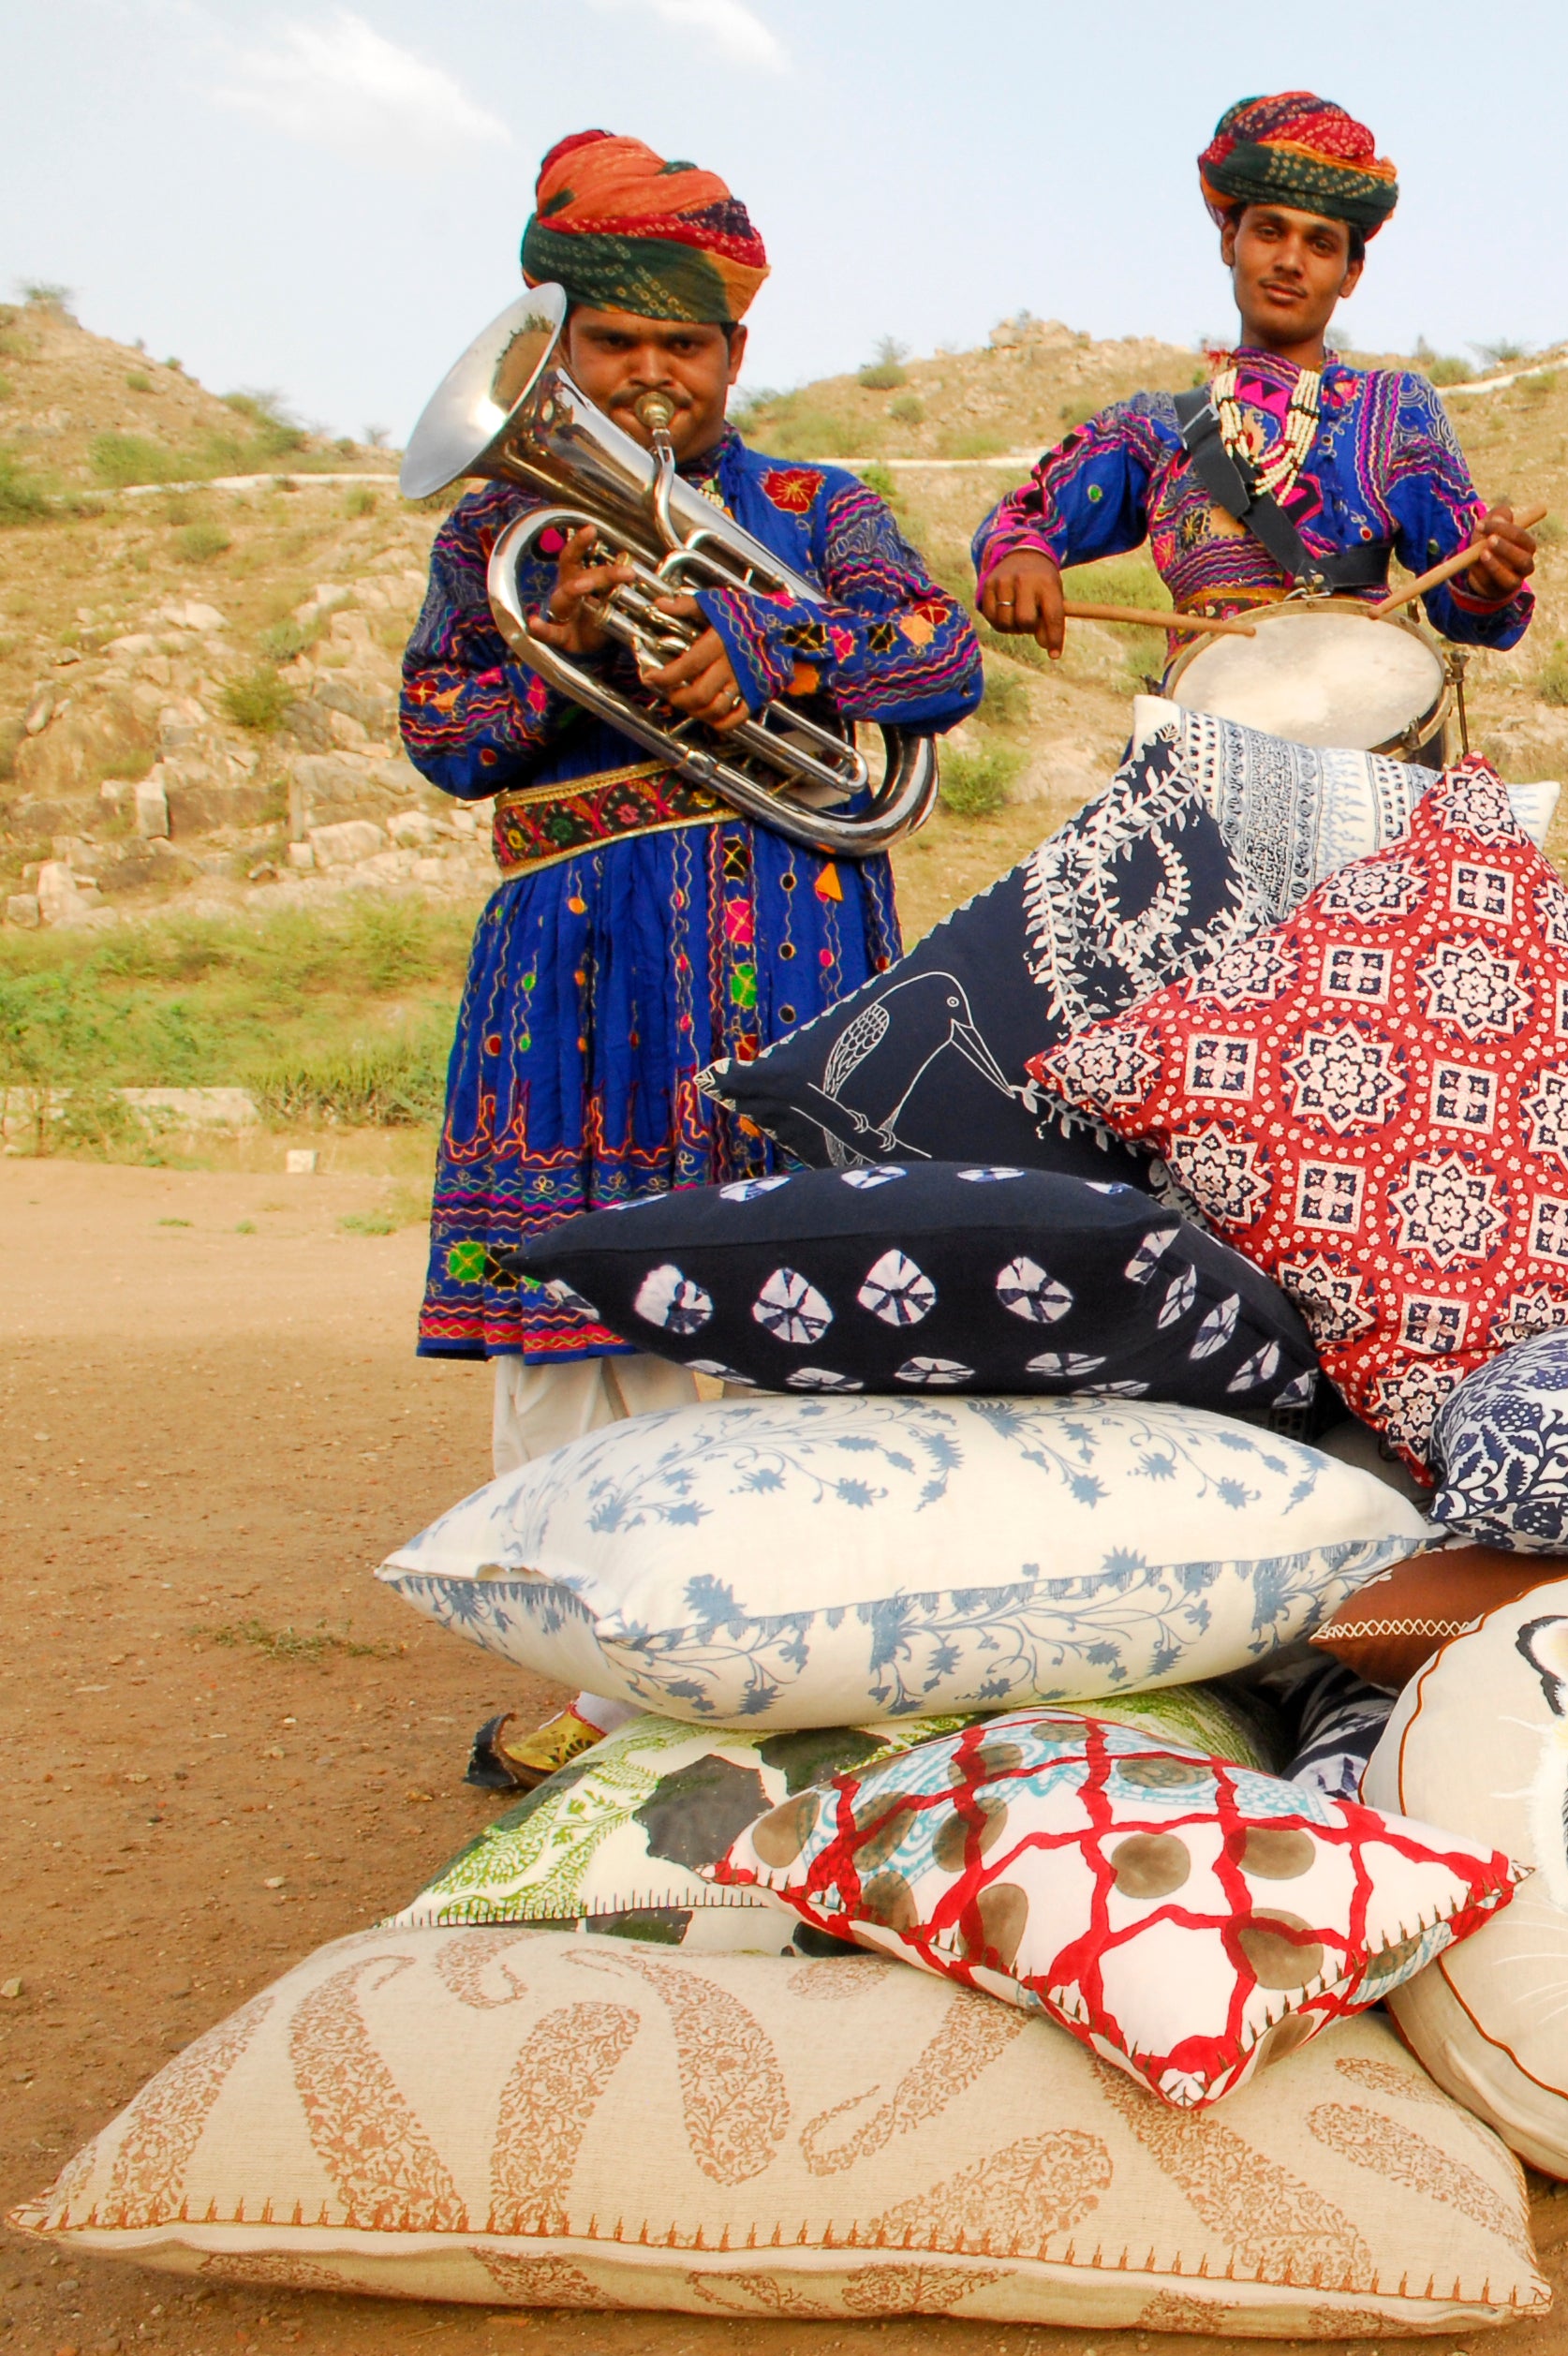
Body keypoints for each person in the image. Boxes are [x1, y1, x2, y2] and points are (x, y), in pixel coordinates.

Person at [401, 129, 984, 1785]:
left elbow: (935, 659)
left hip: (790, 941)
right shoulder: (495, 539)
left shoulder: (815, 508)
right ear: (556, 349)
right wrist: (569, 646)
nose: (652, 374)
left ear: (738, 348)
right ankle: (593, 1665)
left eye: (688, 342)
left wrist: (761, 647)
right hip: (573, 963)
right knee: (575, 1311)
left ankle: (794, 1643)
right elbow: (442, 734)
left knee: (787, 1306)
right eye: (613, 343)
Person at [973, 92, 1536, 663]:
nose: (1291, 260)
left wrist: (1490, 578)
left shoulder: (1396, 409)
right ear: (1229, 242)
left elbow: (1471, 609)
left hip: (1361, 725)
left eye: (1320, 244)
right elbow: (1022, 519)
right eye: (1270, 232)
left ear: (1351, 273)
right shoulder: (1150, 428)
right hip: (1202, 738)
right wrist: (1024, 557)